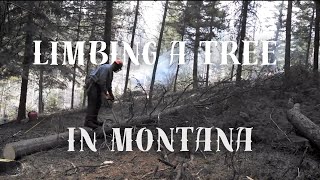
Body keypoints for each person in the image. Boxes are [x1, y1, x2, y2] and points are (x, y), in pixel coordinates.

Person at [84, 59, 123, 129]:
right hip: (93, 85)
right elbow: (102, 82)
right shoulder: (106, 68)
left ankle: (94, 120)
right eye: (119, 67)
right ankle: (88, 121)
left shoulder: (110, 72)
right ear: (116, 65)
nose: (118, 69)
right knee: (93, 103)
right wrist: (105, 94)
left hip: (98, 86)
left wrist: (111, 94)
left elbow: (108, 84)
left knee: (98, 103)